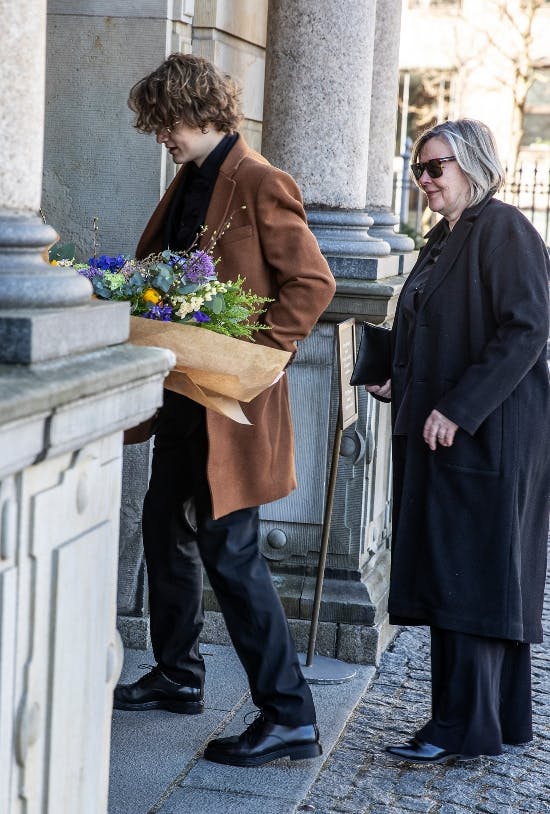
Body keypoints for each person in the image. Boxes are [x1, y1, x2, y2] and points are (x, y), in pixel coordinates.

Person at [113, 53, 336, 767]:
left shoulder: (259, 180)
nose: (160, 138)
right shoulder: (190, 179)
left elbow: (312, 282)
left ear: (195, 110)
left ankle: (289, 714)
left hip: (230, 409)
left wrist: (257, 360)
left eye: (163, 124)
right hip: (183, 396)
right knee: (162, 528)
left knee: (232, 555)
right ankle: (179, 675)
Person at [366, 119, 550, 763]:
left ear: (472, 166)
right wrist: (395, 375)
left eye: (435, 167)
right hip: (453, 435)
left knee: (471, 580)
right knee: (459, 575)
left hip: (487, 439)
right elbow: (437, 328)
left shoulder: (503, 231)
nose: (423, 179)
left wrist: (457, 408)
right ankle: (486, 723)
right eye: (418, 169)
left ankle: (459, 729)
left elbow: (527, 329)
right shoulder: (445, 238)